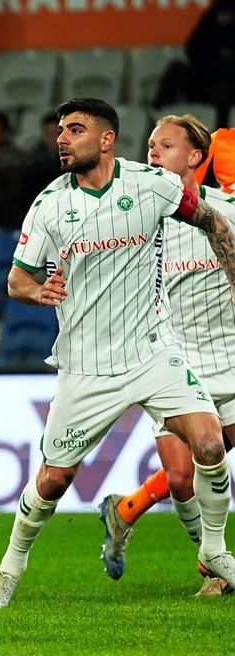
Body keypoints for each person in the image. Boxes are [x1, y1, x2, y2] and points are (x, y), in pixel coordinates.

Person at [0, 98, 235, 608]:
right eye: (61, 130)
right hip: (86, 365)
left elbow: (212, 223)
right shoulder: (49, 205)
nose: (62, 138)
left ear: (106, 139)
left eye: (75, 130)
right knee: (54, 480)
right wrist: (38, 291)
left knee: (209, 444)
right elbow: (15, 280)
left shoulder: (151, 185)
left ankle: (213, 550)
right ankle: (11, 566)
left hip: (152, 351)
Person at [95, 114, 235, 596]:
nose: (152, 152)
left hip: (230, 354)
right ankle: (213, 563)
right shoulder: (138, 213)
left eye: (166, 145)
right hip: (174, 360)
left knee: (211, 453)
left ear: (195, 157)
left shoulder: (224, 209)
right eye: (151, 145)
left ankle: (208, 569)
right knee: (181, 478)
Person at [155, 0, 235, 123]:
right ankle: (158, 115)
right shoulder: (207, 24)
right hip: (202, 82)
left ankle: (222, 130)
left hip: (224, 85)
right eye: (222, 13)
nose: (225, 17)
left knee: (224, 92)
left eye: (228, 14)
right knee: (177, 69)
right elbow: (192, 50)